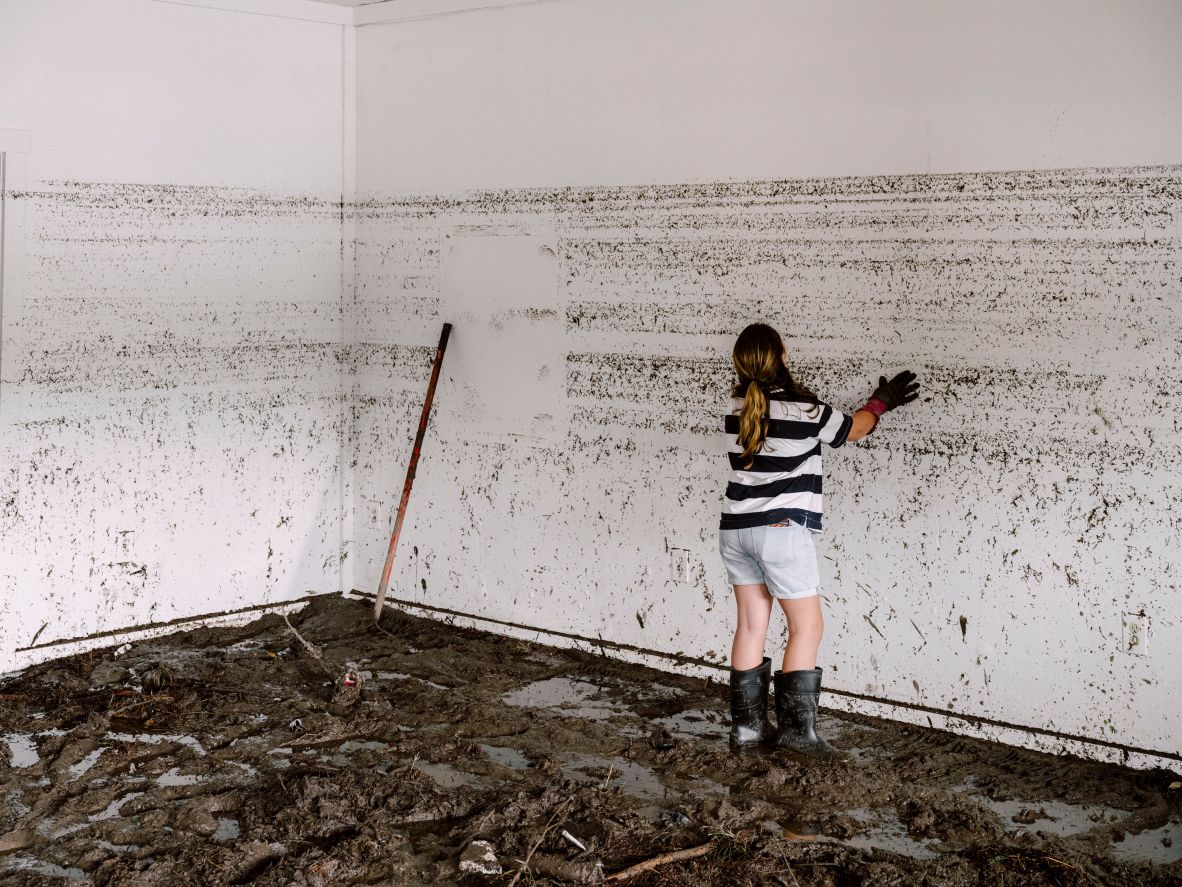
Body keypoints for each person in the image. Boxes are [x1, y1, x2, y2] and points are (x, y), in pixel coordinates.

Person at [719, 323, 918, 760]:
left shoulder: (737, 408)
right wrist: (880, 402)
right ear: (782, 356)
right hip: (781, 533)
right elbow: (853, 431)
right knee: (807, 626)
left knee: (752, 625)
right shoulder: (806, 410)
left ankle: (747, 731)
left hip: (735, 530)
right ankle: (796, 735)